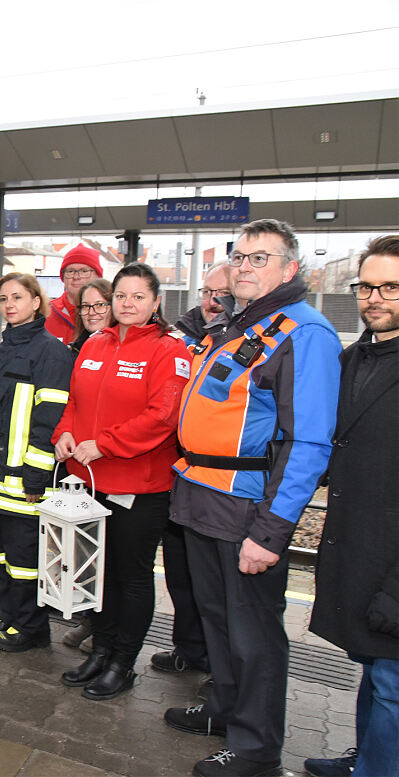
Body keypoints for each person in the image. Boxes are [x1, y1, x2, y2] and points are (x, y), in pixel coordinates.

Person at [164, 219, 341, 777]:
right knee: (216, 617)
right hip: (200, 496)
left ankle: (256, 749)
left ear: (290, 269)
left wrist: (270, 531)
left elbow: (309, 442)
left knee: (254, 632)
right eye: (239, 256)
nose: (244, 265)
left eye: (259, 258)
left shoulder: (304, 333)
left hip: (245, 507)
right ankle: (224, 707)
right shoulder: (240, 326)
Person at [52, 262, 191, 700]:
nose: (127, 304)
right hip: (90, 480)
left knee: (131, 576)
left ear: (155, 303)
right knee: (100, 572)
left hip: (140, 486)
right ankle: (103, 649)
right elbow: (75, 400)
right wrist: (65, 433)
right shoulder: (95, 343)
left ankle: (123, 663)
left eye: (137, 297)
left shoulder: (170, 351)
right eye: (120, 296)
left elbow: (163, 417)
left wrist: (106, 444)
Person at [304, 235, 399, 777]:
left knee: (392, 686)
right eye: (367, 286)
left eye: (390, 286)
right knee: (377, 673)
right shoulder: (354, 357)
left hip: (392, 563)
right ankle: (368, 759)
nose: (374, 297)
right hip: (361, 550)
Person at [0, 273, 72, 652]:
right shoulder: (1, 349)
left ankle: (31, 627)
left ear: (36, 302)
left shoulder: (51, 352)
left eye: (18, 297)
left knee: (26, 560)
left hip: (24, 481)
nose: (10, 304)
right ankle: (8, 614)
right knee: (1, 556)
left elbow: (48, 422)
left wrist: (35, 477)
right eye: (4, 298)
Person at [152, 263, 234, 676]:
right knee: (182, 575)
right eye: (206, 291)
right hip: (179, 476)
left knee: (214, 588)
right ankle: (188, 648)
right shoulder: (183, 339)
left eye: (221, 293)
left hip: (217, 481)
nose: (211, 301)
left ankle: (213, 667)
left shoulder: (239, 340)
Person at [62, 277, 114, 651]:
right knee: (83, 551)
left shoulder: (126, 349)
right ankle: (90, 620)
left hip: (110, 464)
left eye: (100, 305)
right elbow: (71, 404)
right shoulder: (77, 348)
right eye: (86, 307)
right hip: (79, 466)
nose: (93, 313)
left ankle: (107, 631)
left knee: (111, 555)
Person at [46, 244, 104, 344]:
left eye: (84, 271)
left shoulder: (110, 314)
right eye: (70, 271)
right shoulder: (45, 313)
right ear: (62, 277)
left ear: (98, 276)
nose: (76, 277)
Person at [175, 262, 232, 347]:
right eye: (207, 292)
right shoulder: (184, 347)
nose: (212, 302)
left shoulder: (251, 349)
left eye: (224, 293)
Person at [68, 279, 114, 354]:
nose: (91, 312)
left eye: (100, 305)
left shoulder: (124, 350)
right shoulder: (73, 351)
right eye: (85, 306)